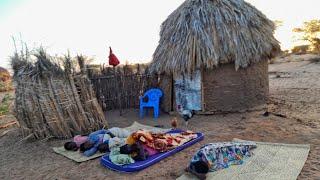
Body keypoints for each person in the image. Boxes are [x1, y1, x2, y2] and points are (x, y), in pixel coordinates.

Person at [187, 142, 257, 179]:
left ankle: (249, 146)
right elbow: (189, 168)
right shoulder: (194, 161)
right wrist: (197, 174)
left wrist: (198, 175)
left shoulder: (208, 160)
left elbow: (218, 164)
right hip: (212, 150)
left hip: (217, 149)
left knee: (235, 149)